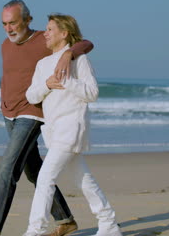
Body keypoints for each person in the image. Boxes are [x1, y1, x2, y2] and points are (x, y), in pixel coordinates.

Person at [0, 0, 94, 236]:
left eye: (13, 23)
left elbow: (86, 43)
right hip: (8, 113)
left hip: (31, 113)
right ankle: (66, 220)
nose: (8, 29)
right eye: (4, 24)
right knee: (33, 170)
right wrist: (4, 104)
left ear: (28, 20)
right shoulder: (4, 45)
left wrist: (68, 55)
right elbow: (12, 77)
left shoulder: (45, 39)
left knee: (7, 169)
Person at [23, 14, 123, 236]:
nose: (45, 34)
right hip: (52, 131)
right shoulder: (42, 64)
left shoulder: (79, 60)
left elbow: (92, 93)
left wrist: (67, 80)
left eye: (50, 29)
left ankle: (35, 230)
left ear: (64, 33)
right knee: (83, 179)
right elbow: (31, 96)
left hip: (72, 128)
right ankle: (109, 225)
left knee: (45, 178)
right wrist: (48, 84)